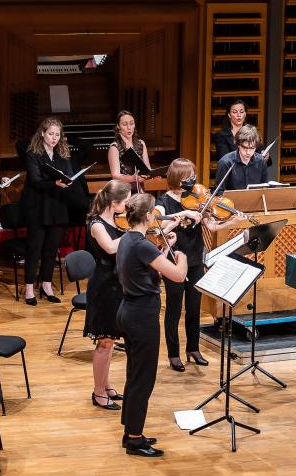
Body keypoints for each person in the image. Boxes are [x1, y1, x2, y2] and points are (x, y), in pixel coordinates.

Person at [116, 193, 187, 457]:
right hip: (141, 316)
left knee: (135, 374)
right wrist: (180, 256)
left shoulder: (128, 239)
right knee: (144, 378)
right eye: (154, 213)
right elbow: (178, 275)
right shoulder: (142, 245)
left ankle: (131, 432)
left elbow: (146, 267)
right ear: (147, 216)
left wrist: (163, 250)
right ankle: (135, 440)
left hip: (128, 311)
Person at [155, 159, 240, 372]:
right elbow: (159, 229)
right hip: (174, 260)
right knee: (174, 310)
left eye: (193, 175)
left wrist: (232, 222)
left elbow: (211, 226)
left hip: (194, 258)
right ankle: (173, 354)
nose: (193, 180)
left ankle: (193, 348)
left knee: (194, 308)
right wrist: (184, 214)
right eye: (188, 176)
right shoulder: (163, 201)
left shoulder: (197, 199)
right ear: (177, 178)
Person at [84, 179, 131, 410]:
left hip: (116, 283)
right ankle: (98, 392)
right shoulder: (96, 224)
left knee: (110, 341)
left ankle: (106, 384)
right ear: (114, 203)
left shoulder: (116, 219)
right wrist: (133, 234)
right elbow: (111, 247)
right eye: (126, 202)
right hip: (104, 286)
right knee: (104, 342)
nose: (128, 206)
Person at [20, 117, 72, 304]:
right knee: (34, 248)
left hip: (57, 206)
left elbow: (69, 174)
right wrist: (55, 183)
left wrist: (67, 181)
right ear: (42, 133)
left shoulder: (62, 154)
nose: (54, 138)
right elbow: (35, 181)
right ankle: (29, 288)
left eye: (57, 134)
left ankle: (46, 285)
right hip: (38, 207)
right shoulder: (33, 154)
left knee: (51, 249)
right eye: (51, 134)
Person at [212, 99, 272, 165]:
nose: (239, 115)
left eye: (241, 112)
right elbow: (225, 160)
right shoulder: (221, 136)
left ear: (245, 114)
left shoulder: (252, 133)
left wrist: (266, 157)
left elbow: (265, 158)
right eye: (235, 112)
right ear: (229, 115)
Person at [214, 124, 268, 192]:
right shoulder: (225, 162)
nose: (248, 152)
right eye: (245, 148)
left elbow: (264, 189)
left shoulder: (261, 161)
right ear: (238, 144)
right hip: (231, 199)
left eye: (252, 148)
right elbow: (219, 192)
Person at [107, 110, 151, 193]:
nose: (129, 127)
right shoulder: (115, 147)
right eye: (125, 124)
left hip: (139, 188)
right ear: (118, 126)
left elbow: (147, 169)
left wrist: (151, 175)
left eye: (131, 123)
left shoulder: (141, 143)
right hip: (123, 190)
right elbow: (115, 175)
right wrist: (132, 178)